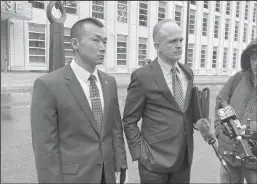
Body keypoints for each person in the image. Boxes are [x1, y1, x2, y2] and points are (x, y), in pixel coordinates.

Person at [30, 17, 127, 183]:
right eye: (96, 40)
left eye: (104, 41)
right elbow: (45, 147)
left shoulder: (109, 82)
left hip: (108, 174)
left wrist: (120, 165)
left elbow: (115, 130)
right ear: (75, 44)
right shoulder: (48, 85)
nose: (102, 47)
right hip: (74, 178)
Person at [122, 19, 196, 183]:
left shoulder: (188, 73)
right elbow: (129, 120)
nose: (179, 45)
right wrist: (140, 153)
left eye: (180, 40)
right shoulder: (142, 76)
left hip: (184, 160)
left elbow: (186, 111)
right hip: (154, 163)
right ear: (157, 46)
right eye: (172, 41)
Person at [214, 38, 257, 183]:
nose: (256, 63)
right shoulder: (237, 79)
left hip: (254, 159)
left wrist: (251, 130)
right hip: (230, 154)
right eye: (253, 58)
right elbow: (220, 102)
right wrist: (220, 130)